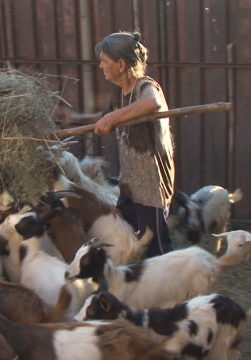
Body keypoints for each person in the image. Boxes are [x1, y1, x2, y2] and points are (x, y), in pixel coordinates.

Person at [56, 31, 175, 258]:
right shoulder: (120, 94)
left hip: (151, 184)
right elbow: (101, 117)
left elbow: (154, 103)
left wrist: (112, 119)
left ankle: (170, 286)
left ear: (120, 64)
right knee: (127, 234)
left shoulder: (146, 87)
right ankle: (138, 278)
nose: (101, 65)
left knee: (158, 247)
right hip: (130, 181)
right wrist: (73, 118)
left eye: (104, 60)